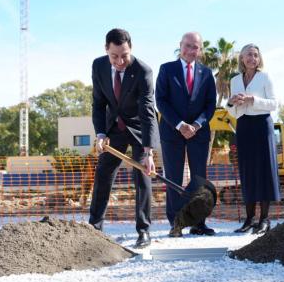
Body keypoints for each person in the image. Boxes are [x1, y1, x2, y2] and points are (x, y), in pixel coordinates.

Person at [88, 28, 159, 248]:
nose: (119, 61)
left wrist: (148, 152)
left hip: (139, 128)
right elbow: (99, 104)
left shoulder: (143, 71)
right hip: (113, 128)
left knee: (142, 178)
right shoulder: (98, 66)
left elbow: (148, 111)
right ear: (106, 50)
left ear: (131, 49)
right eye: (114, 56)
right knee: (103, 175)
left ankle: (143, 230)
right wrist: (100, 133)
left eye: (124, 55)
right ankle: (94, 229)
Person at [156, 32, 217, 237]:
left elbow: (210, 105)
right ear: (180, 45)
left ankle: (199, 223)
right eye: (188, 46)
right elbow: (161, 101)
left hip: (198, 134)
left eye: (196, 47)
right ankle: (176, 223)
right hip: (172, 132)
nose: (191, 50)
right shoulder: (166, 69)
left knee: (199, 179)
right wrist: (180, 125)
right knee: (173, 177)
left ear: (200, 50)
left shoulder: (207, 73)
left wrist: (197, 125)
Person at [227, 44, 281, 234]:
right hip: (243, 126)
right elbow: (231, 110)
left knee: (264, 171)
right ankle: (249, 220)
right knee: (247, 171)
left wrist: (253, 100)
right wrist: (231, 103)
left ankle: (264, 220)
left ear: (259, 59)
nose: (252, 58)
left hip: (262, 125)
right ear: (242, 58)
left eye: (255, 55)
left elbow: (274, 103)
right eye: (248, 55)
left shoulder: (265, 77)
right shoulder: (234, 80)